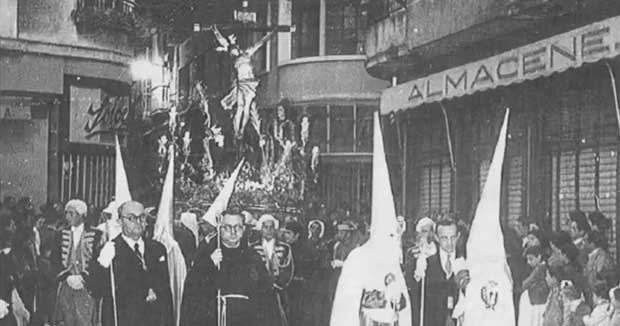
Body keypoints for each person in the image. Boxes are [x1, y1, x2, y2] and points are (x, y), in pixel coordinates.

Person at [87, 201, 173, 326]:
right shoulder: (110, 249)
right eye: (131, 218)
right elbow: (96, 290)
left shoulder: (157, 249)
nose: (138, 222)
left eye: (142, 217)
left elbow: (166, 293)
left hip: (154, 320)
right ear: (120, 222)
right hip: (124, 320)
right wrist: (102, 264)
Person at [180, 211, 270, 326]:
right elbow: (192, 292)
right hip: (214, 319)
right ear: (219, 229)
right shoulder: (206, 255)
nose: (233, 232)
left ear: (243, 230)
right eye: (227, 227)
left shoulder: (253, 257)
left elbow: (266, 297)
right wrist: (209, 264)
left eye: (238, 227)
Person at [52, 200, 102, 326]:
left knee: (85, 319)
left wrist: (83, 277)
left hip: (86, 286)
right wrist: (67, 276)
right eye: (67, 213)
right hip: (66, 284)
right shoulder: (59, 234)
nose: (67, 217)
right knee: (65, 319)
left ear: (82, 215)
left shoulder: (97, 235)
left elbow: (97, 261)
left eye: (71, 213)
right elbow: (55, 259)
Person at [407, 218, 464, 326]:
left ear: (459, 236)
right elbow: (416, 300)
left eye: (453, 238)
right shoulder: (425, 262)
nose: (449, 243)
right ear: (437, 238)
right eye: (444, 238)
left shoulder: (466, 260)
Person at [250, 214, 293, 326]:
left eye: (271, 227)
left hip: (278, 292)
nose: (269, 230)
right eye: (266, 227)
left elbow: (289, 270)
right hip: (259, 292)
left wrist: (279, 284)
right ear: (261, 229)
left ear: (275, 229)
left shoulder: (284, 248)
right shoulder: (253, 248)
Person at [280, 220, 316, 326]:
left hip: (302, 291)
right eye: (285, 232)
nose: (286, 235)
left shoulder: (306, 250)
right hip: (288, 288)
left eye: (289, 233)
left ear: (297, 235)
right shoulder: (285, 248)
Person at [518, 245, 549, 326]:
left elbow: (526, 284)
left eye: (531, 259)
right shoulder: (543, 267)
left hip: (538, 300)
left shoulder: (539, 268)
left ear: (539, 257)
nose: (528, 262)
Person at [584, 231, 615, 299]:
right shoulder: (593, 256)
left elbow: (600, 275)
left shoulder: (601, 256)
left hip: (602, 295)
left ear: (592, 243)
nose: (584, 244)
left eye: (585, 241)